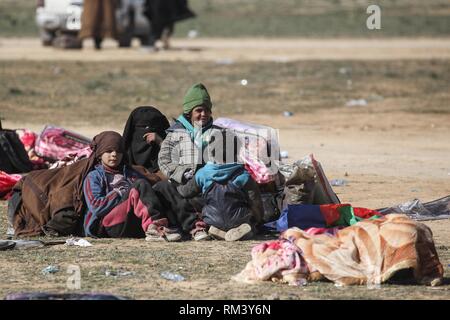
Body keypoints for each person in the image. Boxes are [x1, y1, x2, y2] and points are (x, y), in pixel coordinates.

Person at [155, 83, 225, 241]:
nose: (203, 114)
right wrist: (182, 173)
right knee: (162, 188)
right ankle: (196, 227)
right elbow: (164, 160)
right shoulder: (175, 134)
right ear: (189, 112)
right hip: (182, 185)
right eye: (199, 110)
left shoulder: (218, 133)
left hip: (209, 186)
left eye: (207, 110)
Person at [83, 131, 181, 241]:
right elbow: (96, 207)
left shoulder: (130, 173)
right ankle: (155, 228)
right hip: (109, 226)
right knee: (140, 184)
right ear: (100, 154)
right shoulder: (94, 176)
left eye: (118, 151)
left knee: (163, 186)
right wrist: (118, 192)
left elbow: (147, 196)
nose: (114, 154)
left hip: (133, 223)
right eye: (109, 151)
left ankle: (190, 226)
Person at [177, 161, 264, 241]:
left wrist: (176, 185)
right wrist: (258, 219)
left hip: (212, 220)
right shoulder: (243, 175)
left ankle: (217, 230)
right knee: (250, 224)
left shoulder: (202, 173)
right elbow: (255, 202)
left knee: (195, 201)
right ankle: (248, 229)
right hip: (240, 220)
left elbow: (185, 192)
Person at [122, 106, 170, 172]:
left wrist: (161, 142)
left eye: (153, 128)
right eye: (143, 127)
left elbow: (173, 159)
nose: (148, 133)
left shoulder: (170, 152)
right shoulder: (121, 159)